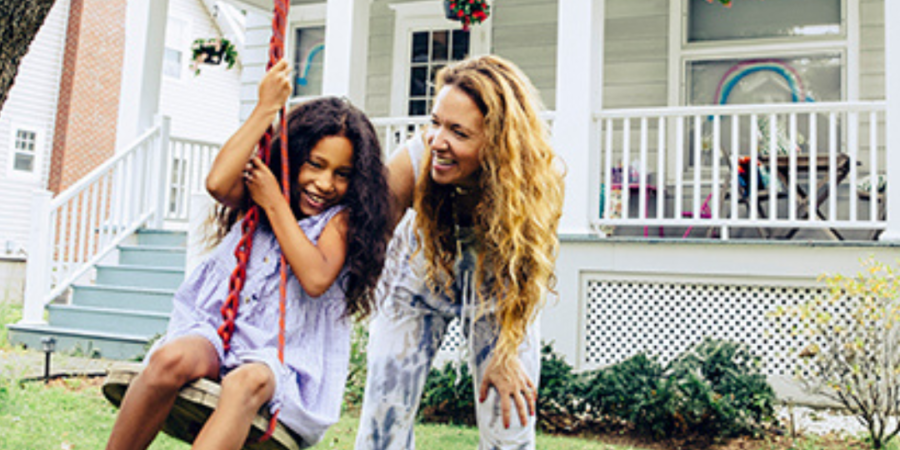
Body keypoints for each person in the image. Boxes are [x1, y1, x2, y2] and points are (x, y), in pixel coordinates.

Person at [106, 59, 390, 450]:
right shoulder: (261, 197)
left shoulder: (340, 221)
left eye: (342, 173)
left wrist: (274, 200)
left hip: (283, 362)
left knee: (245, 381)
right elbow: (218, 182)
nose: (325, 183)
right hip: (220, 335)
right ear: (294, 157)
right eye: (316, 164)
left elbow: (316, 277)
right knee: (168, 359)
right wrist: (265, 110)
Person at [355, 55, 565, 449]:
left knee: (511, 419)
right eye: (435, 123)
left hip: (499, 291)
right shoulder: (415, 160)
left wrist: (506, 352)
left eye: (459, 132)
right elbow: (363, 238)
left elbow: (529, 273)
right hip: (418, 274)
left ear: (499, 140)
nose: (437, 141)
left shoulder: (538, 180)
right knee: (382, 422)